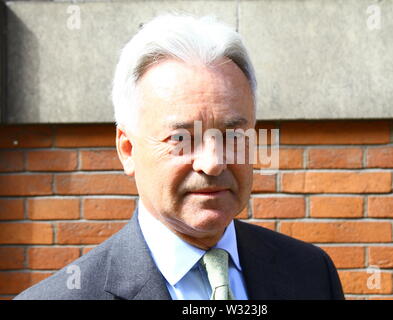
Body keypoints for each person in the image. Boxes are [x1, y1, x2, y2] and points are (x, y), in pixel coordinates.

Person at [15, 14, 344, 300]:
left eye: (232, 135)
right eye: (182, 139)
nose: (213, 162)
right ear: (127, 150)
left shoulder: (311, 274)